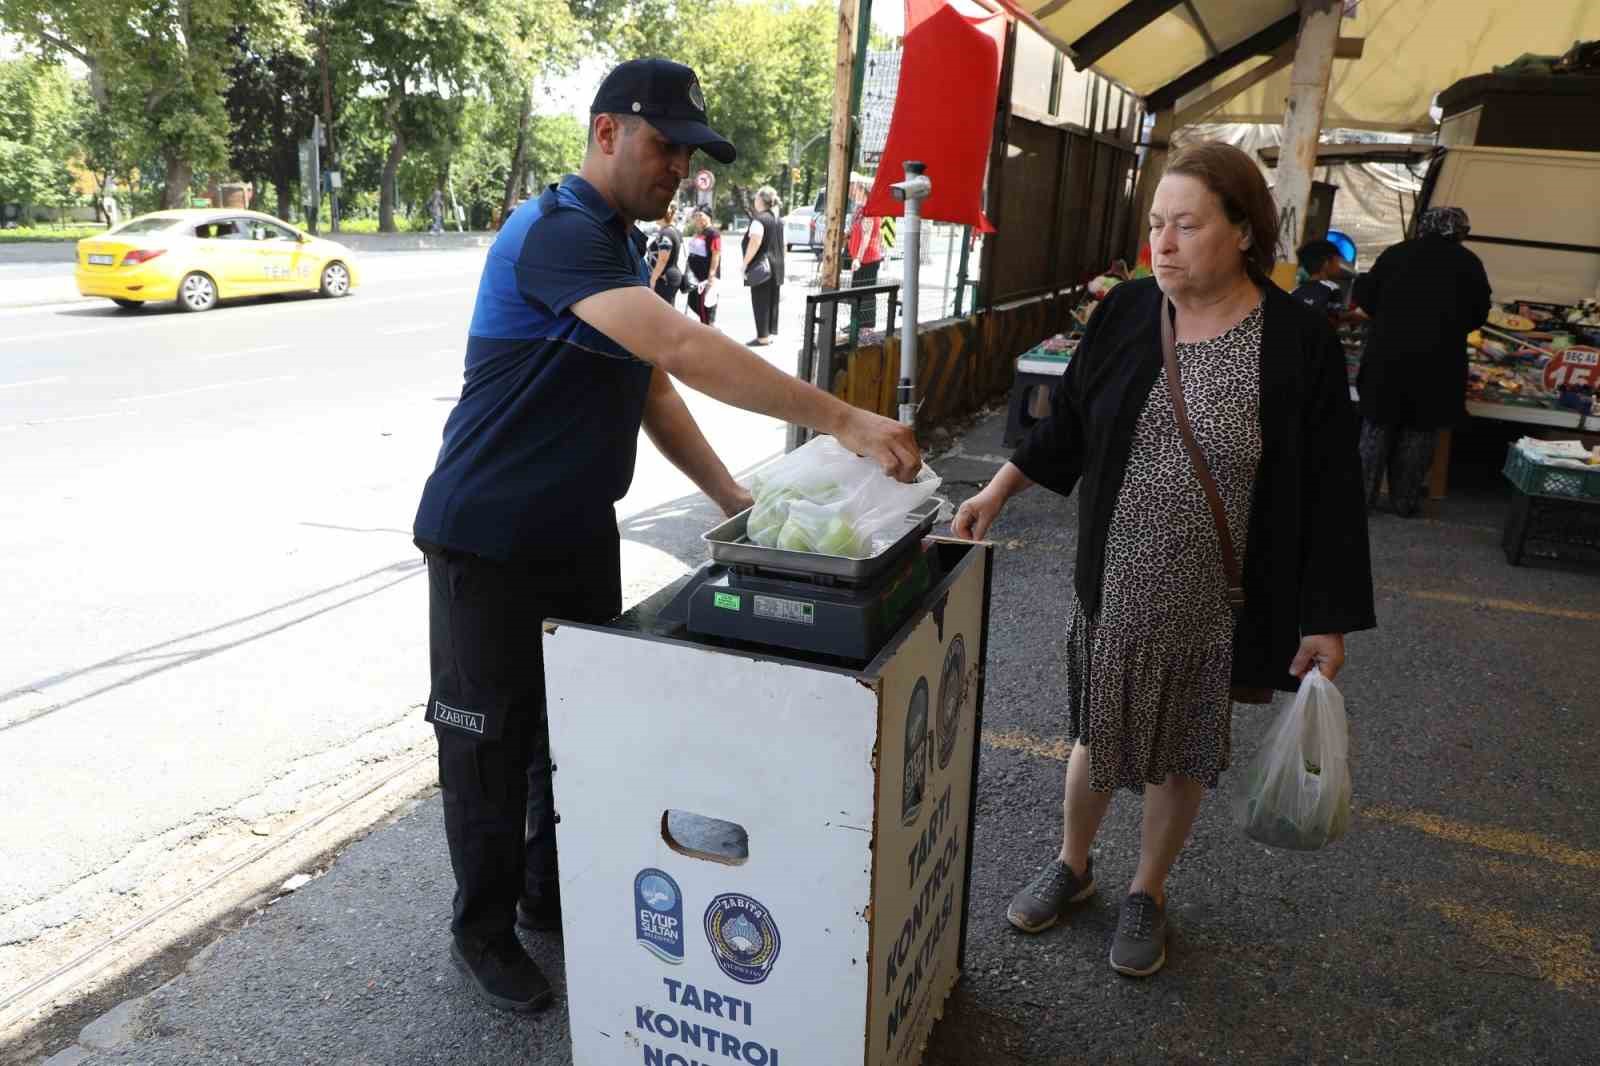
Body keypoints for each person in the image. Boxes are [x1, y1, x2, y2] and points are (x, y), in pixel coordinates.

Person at [411, 58, 920, 1015]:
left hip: (573, 531)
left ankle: (546, 893)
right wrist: (843, 420)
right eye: (663, 144)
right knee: (487, 740)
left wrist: (734, 499)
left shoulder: (613, 244)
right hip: (485, 539)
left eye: (687, 153)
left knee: (573, 732)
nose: (678, 166)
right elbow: (683, 347)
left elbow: (650, 384)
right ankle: (479, 932)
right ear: (606, 132)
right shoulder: (556, 232)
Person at [952, 142, 1374, 978]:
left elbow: (1331, 488)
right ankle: (1073, 865)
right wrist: (998, 490)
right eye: (1156, 225)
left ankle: (1148, 888)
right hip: (1113, 582)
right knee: (1094, 737)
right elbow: (1066, 418)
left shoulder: (1297, 341)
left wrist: (1327, 617)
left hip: (1217, 599)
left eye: (1187, 224)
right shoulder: (1127, 312)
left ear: (1245, 232)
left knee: (1181, 750)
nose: (1164, 243)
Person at [1351, 206, 1491, 517]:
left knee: (1376, 426)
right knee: (1419, 430)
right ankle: (1405, 501)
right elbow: (1478, 313)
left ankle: (1361, 499)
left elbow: (1367, 296)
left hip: (1387, 359)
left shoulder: (1396, 254)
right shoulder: (1468, 263)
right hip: (1438, 364)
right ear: (1459, 232)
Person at [742, 186, 784, 345]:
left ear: (761, 200)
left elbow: (755, 242)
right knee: (771, 301)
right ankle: (768, 334)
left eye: (756, 198)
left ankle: (762, 337)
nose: (754, 201)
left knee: (760, 301)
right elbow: (783, 244)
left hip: (762, 266)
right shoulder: (778, 220)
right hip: (776, 266)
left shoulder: (759, 220)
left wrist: (745, 264)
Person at [846, 176, 886, 331]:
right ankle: (857, 324)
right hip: (862, 257)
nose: (852, 191)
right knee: (857, 291)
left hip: (867, 259)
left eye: (855, 187)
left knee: (865, 292)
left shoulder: (869, 210)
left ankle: (866, 326)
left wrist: (858, 258)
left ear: (862, 189)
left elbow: (867, 235)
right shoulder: (860, 209)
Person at [1291, 238, 1351, 318]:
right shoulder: (1332, 288)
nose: (1339, 266)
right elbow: (1335, 318)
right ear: (1326, 263)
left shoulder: (1294, 291)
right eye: (1337, 261)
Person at [686, 207, 722, 326]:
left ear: (708, 216)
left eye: (701, 215)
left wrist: (711, 276)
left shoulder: (713, 233)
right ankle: (710, 330)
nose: (698, 218)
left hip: (706, 278)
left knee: (706, 309)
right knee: (694, 302)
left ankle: (711, 335)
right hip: (696, 278)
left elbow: (716, 254)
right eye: (696, 216)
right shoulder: (700, 232)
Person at [648, 202, 684, 306]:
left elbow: (663, 259)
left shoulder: (666, 234)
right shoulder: (673, 230)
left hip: (665, 278)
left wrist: (653, 279)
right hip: (669, 275)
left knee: (664, 310)